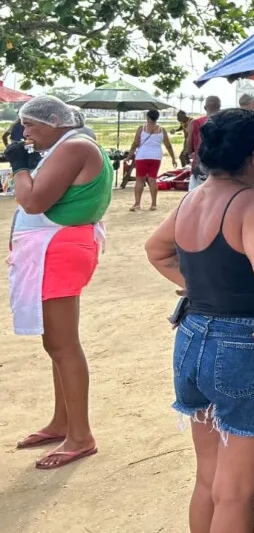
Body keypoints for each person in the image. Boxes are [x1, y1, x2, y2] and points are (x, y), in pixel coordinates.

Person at [144, 109, 254, 533]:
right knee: (237, 493)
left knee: (210, 480)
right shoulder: (251, 201)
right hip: (246, 346)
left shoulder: (193, 197)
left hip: (193, 339)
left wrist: (200, 286)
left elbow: (156, 249)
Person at [5, 95, 112, 468]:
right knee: (55, 342)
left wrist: (20, 167)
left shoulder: (74, 147)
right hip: (57, 247)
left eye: (30, 125)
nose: (26, 133)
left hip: (59, 249)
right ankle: (62, 420)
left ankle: (80, 435)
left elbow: (32, 202)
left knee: (64, 344)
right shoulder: (69, 146)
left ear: (54, 122)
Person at [129, 108, 177, 211]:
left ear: (147, 117)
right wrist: (173, 158)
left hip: (142, 156)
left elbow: (135, 143)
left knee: (139, 180)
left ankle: (137, 204)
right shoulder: (161, 130)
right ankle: (153, 204)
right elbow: (168, 145)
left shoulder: (142, 128)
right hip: (156, 156)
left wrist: (129, 156)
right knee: (152, 180)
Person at [186, 96, 222, 189]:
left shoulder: (195, 123)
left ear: (205, 108)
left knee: (195, 196)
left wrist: (191, 153)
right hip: (220, 166)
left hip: (199, 166)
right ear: (219, 107)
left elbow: (189, 144)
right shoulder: (225, 122)